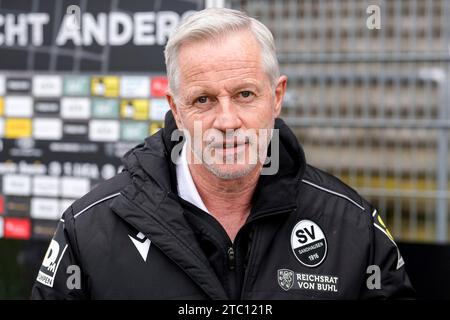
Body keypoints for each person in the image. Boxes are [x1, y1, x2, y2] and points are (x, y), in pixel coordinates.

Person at [31, 7, 414, 299]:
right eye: (203, 99)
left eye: (245, 94)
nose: (227, 121)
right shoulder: (88, 231)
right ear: (176, 110)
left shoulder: (353, 227)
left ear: (276, 97)